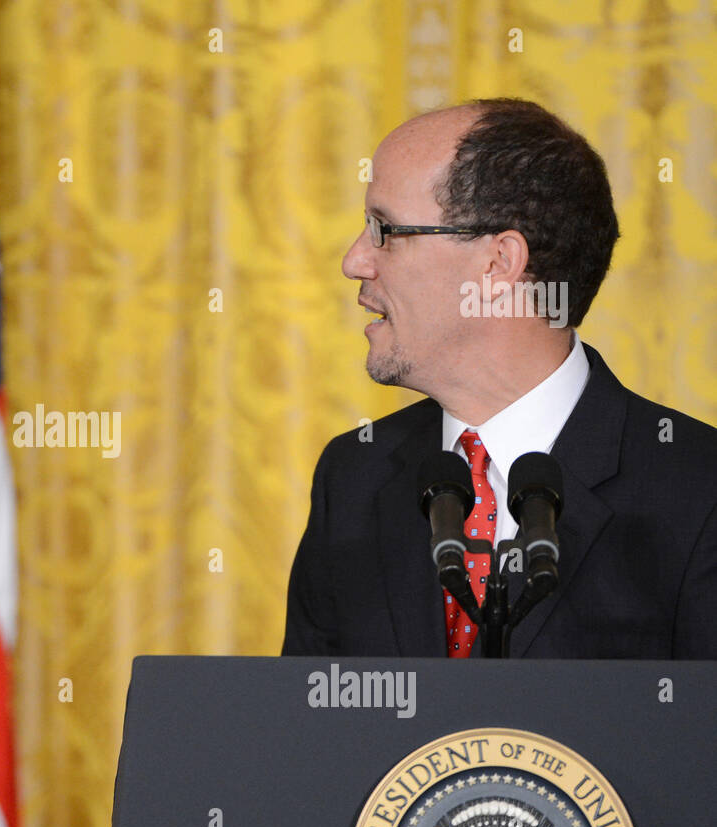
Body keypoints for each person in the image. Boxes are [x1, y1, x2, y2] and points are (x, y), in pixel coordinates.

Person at [283, 98, 717, 660]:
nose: (355, 260)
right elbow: (303, 733)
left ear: (498, 263)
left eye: (383, 229)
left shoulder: (698, 490)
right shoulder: (353, 477)